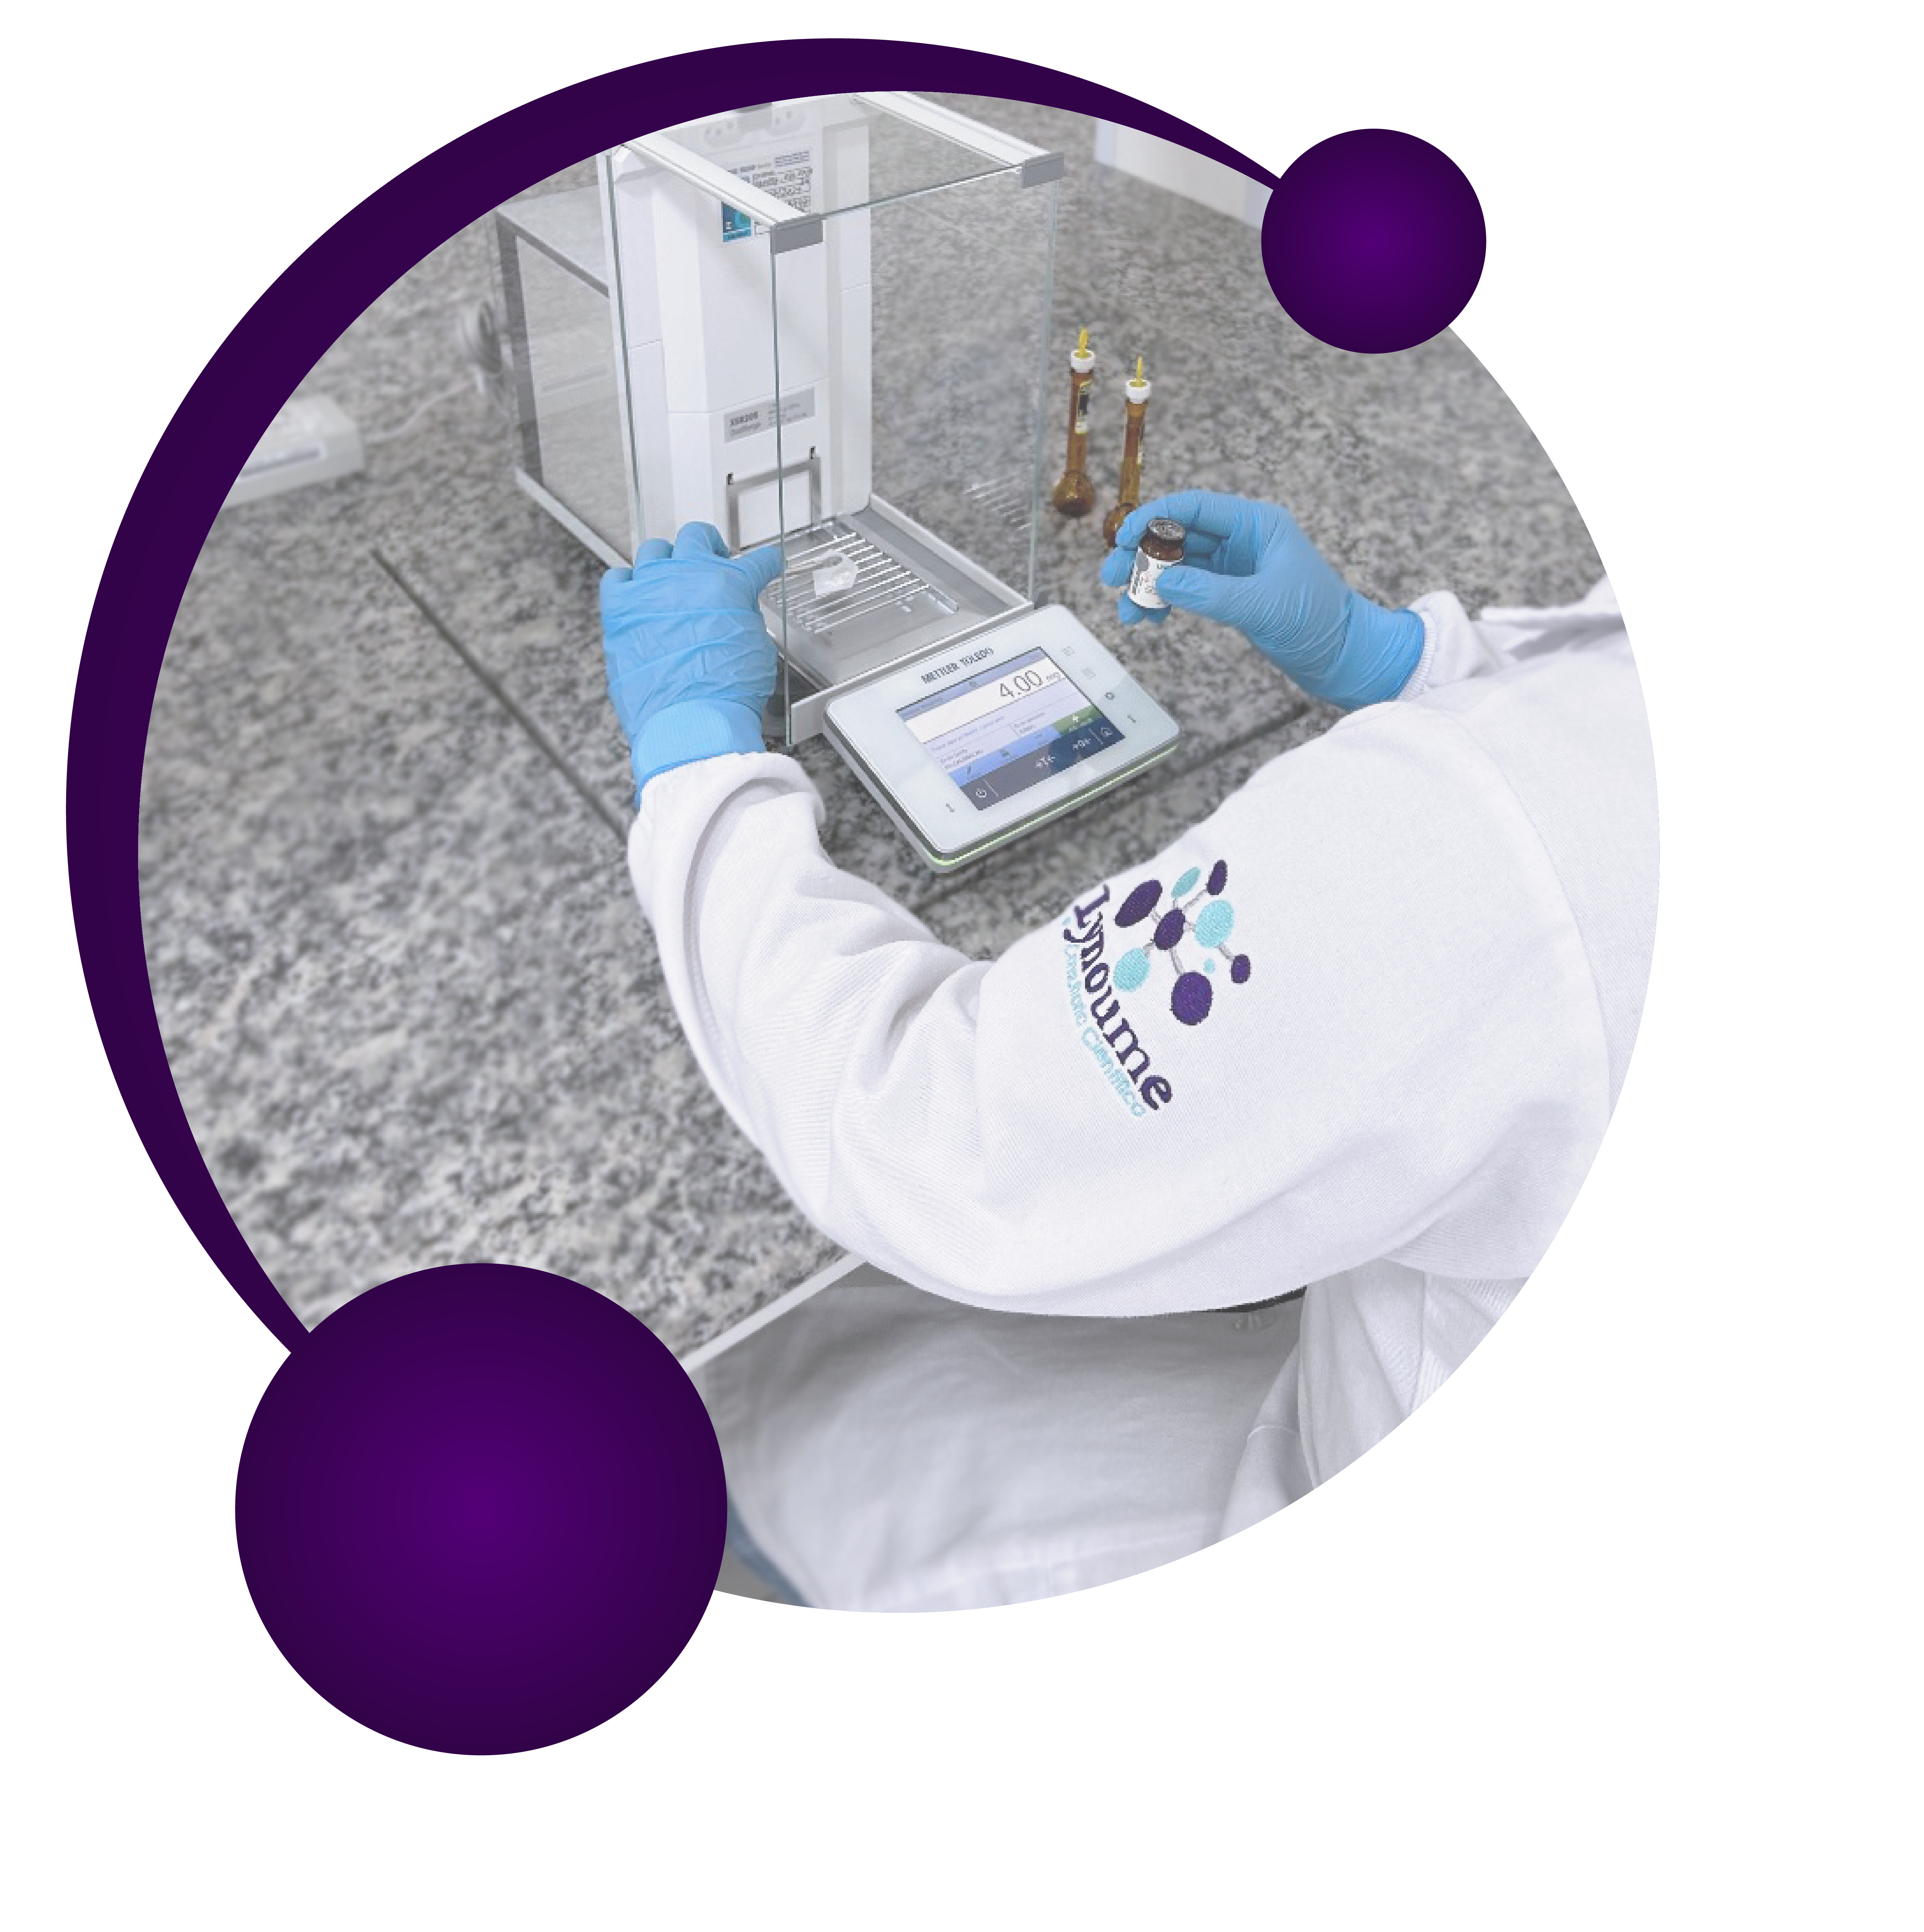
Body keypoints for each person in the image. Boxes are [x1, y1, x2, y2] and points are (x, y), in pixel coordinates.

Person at [601, 492, 1657, 1612]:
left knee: (769, 1401)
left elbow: (934, 1134)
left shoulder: (1495, 855)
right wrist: (1413, 662)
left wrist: (698, 764)